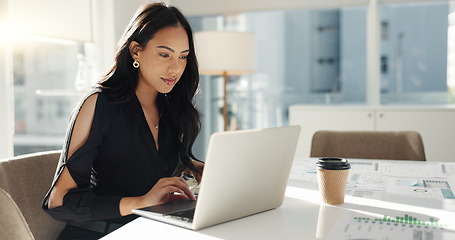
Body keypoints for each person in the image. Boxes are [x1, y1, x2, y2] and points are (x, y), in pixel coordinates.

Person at [42, 2, 204, 239]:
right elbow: (58, 202)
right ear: (136, 50)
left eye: (183, 57)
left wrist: (195, 167)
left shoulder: (169, 106)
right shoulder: (99, 104)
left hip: (149, 230)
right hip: (99, 233)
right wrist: (141, 201)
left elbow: (146, 164)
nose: (175, 68)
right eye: (164, 54)